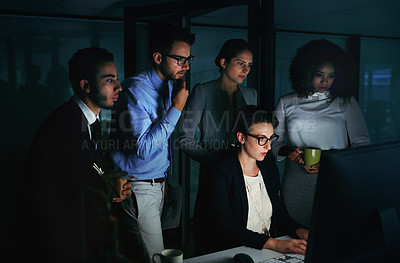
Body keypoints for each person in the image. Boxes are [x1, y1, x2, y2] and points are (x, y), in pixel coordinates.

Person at [7, 47, 148, 263]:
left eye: (117, 79)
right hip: (54, 240)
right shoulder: (64, 127)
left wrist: (110, 187)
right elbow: (69, 192)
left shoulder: (91, 120)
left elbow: (87, 171)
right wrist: (105, 190)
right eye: (110, 80)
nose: (119, 86)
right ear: (86, 86)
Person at [110, 23, 195, 259]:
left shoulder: (168, 85)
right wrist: (177, 107)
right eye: (180, 59)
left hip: (154, 184)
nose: (186, 66)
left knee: (149, 255)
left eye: (189, 59)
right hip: (138, 187)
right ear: (158, 57)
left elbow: (161, 144)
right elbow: (144, 149)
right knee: (155, 258)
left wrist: (163, 180)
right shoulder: (136, 89)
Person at [272, 39, 371, 228]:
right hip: (297, 178)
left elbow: (362, 144)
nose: (325, 82)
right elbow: (274, 142)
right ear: (306, 72)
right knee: (294, 232)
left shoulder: (346, 102)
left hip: (334, 176)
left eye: (331, 76)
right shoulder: (286, 102)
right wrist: (287, 151)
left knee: (333, 230)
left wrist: (330, 160)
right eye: (319, 75)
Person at [194, 105, 308, 256]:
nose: (268, 146)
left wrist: (300, 231)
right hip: (233, 253)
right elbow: (224, 227)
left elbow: (280, 215)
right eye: (261, 139)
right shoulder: (220, 172)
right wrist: (275, 244)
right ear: (241, 137)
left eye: (271, 139)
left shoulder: (268, 167)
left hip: (264, 252)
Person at [177, 38, 257, 166]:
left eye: (249, 65)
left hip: (244, 168)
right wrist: (212, 161)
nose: (246, 70)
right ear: (224, 62)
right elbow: (184, 138)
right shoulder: (203, 91)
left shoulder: (251, 94)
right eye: (240, 63)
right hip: (213, 168)